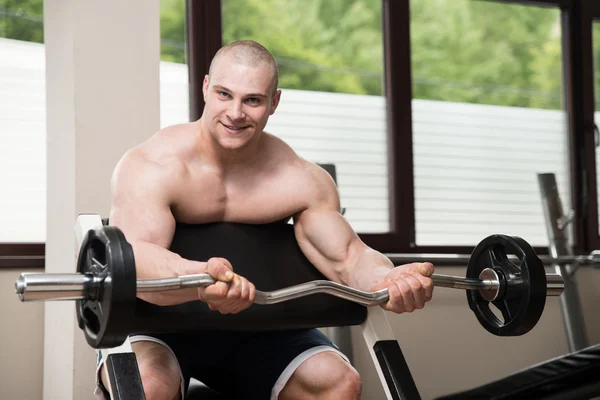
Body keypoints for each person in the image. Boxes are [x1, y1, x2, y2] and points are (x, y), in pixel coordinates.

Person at [95, 40, 435, 400]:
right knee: (149, 386)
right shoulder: (152, 165)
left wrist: (388, 280)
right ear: (206, 87)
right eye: (225, 94)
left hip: (260, 330)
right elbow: (137, 258)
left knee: (338, 383)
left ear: (274, 102)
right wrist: (199, 281)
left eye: (252, 100)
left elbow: (347, 257)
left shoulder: (300, 180)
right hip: (156, 328)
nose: (235, 113)